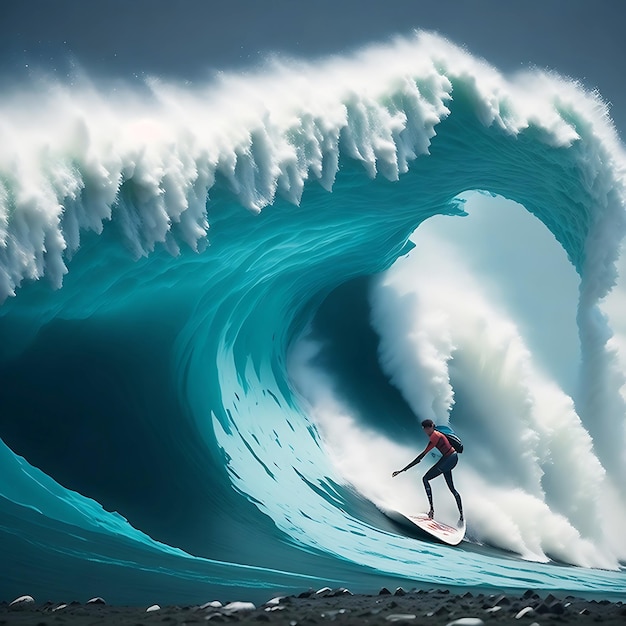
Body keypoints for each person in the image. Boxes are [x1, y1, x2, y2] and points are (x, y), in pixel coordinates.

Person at [392, 419, 464, 524]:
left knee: (425, 479)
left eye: (426, 429)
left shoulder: (435, 436)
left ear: (429, 428)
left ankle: (431, 510)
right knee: (452, 489)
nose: (425, 432)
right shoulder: (437, 434)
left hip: (449, 459)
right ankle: (461, 516)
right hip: (451, 458)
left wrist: (402, 470)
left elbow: (421, 457)